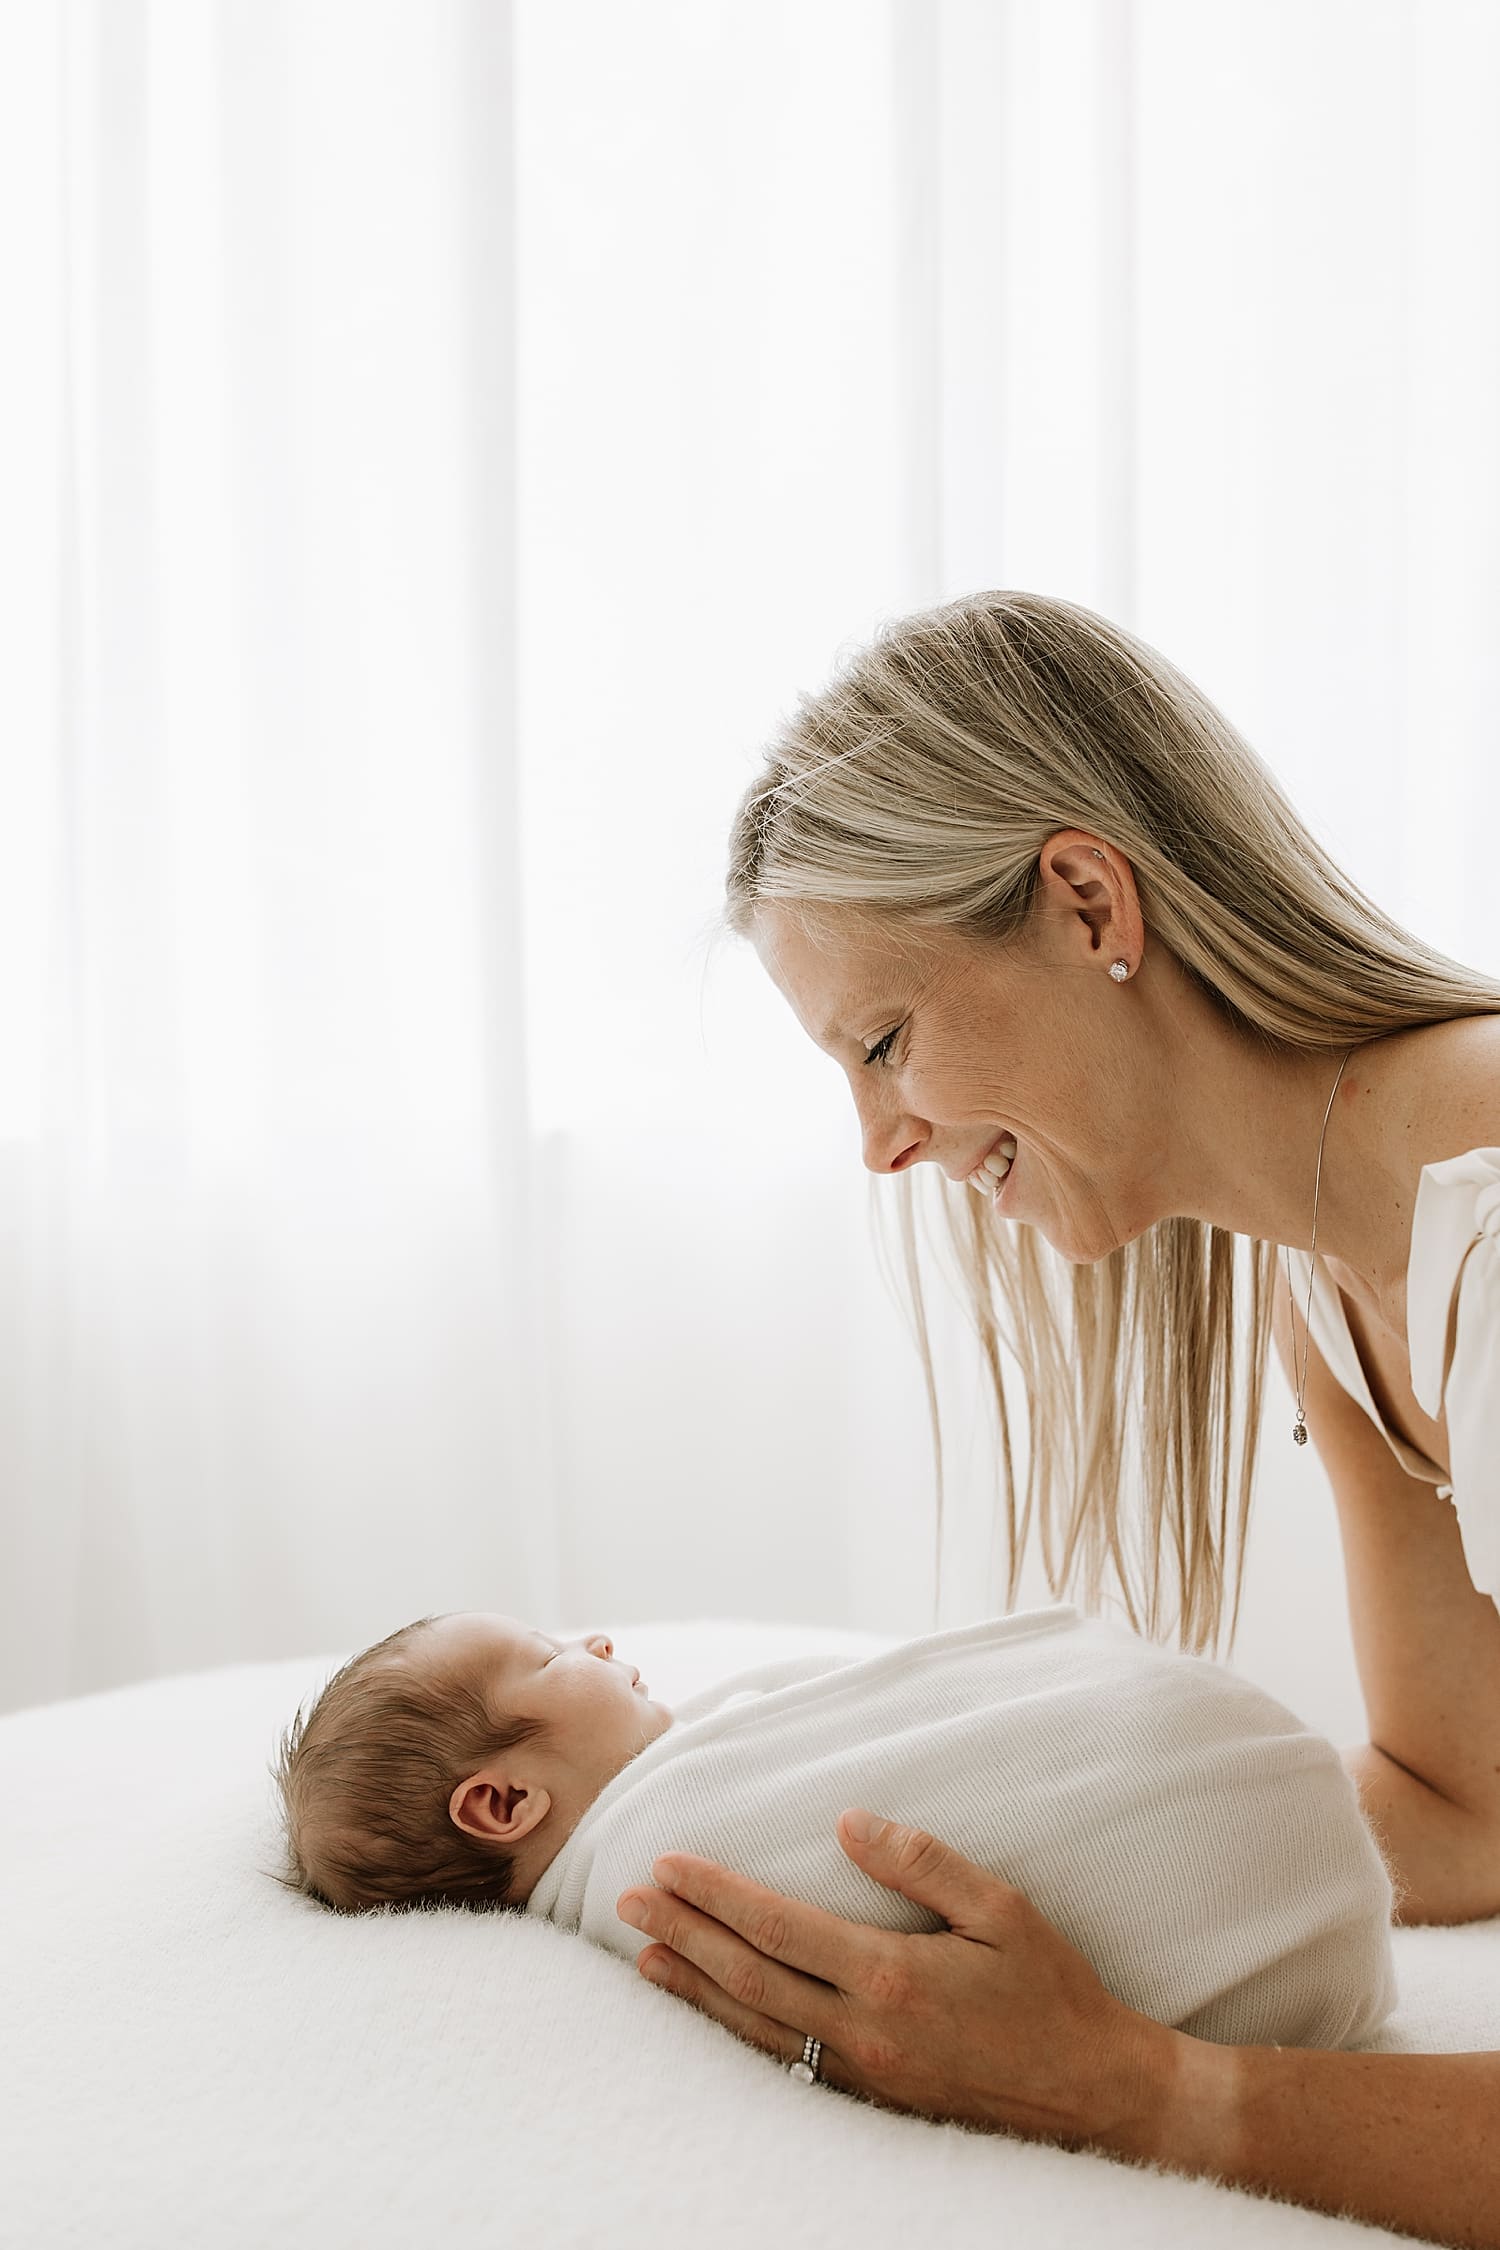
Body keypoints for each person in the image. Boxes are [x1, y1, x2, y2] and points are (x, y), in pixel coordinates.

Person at [613, 590, 1500, 2246]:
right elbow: (1465, 1806)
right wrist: (919, 1867)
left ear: (1090, 898)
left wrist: (1144, 2089)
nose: (881, 1143)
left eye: (887, 1041)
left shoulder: (1486, 1228)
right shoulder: (1338, 1269)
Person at [269, 1602, 1398, 2054]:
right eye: (556, 1657)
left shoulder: (687, 1770)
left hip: (1270, 1836)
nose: (602, 1644)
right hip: (1238, 1830)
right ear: (507, 1802)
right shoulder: (663, 1858)